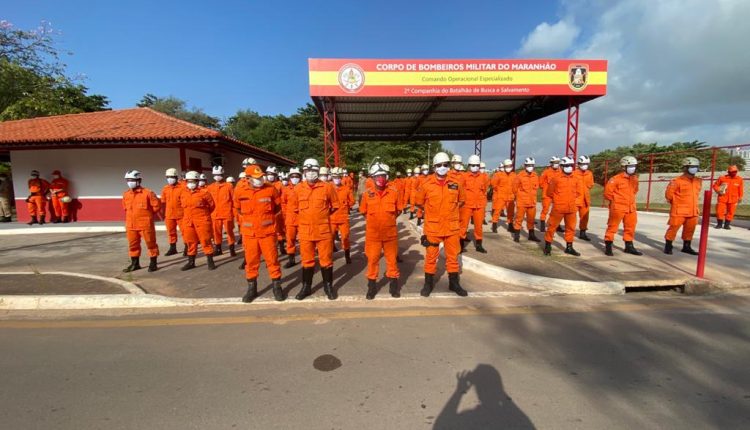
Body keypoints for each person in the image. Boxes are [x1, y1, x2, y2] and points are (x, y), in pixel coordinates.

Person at [414, 152, 467, 297]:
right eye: (439, 165)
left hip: (452, 227)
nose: (442, 167)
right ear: (434, 167)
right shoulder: (426, 184)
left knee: (453, 257)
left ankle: (454, 283)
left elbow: (462, 201)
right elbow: (419, 202)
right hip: (433, 228)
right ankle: (428, 284)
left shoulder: (456, 183)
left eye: (445, 164)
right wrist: (432, 212)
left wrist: (450, 211)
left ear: (449, 166)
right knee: (431, 257)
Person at [287, 158, 339, 300]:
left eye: (313, 170)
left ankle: (328, 286)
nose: (310, 173)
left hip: (323, 231)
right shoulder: (298, 189)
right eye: (308, 170)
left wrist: (322, 217)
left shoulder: (327, 187)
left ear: (318, 171)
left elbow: (335, 206)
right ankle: (306, 287)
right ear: (304, 172)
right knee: (307, 261)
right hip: (305, 231)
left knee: (326, 260)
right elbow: (294, 208)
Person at [234, 165, 284, 303]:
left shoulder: (270, 189)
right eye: (256, 178)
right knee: (251, 262)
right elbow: (238, 209)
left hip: (267, 233)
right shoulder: (240, 191)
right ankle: (252, 289)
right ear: (248, 178)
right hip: (250, 234)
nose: (260, 180)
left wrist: (267, 221)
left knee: (272, 260)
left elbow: (277, 207)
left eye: (261, 177)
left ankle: (277, 287)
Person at [360, 163, 403, 299]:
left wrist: (387, 220)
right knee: (372, 261)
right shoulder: (367, 194)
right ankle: (371, 287)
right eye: (377, 176)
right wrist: (375, 222)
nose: (380, 178)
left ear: (387, 177)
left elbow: (398, 210)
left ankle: (394, 287)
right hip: (373, 235)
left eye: (382, 175)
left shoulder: (394, 192)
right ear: (372, 178)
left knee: (392, 261)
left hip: (390, 235)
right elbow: (363, 211)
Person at [543, 156, 583, 256]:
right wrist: (558, 200)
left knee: (571, 228)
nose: (569, 167)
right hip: (558, 207)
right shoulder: (556, 178)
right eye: (567, 165)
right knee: (552, 227)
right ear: (562, 166)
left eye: (571, 165)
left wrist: (575, 203)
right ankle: (548, 246)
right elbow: (549, 192)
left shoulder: (576, 179)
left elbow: (579, 193)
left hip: (571, 208)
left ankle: (569, 247)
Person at [603, 156, 642, 256]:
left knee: (630, 227)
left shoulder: (634, 179)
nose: (633, 168)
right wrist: (617, 201)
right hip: (618, 207)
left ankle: (629, 246)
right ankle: (608, 246)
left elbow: (635, 191)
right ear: (623, 167)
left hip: (631, 208)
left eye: (634, 166)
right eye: (630, 166)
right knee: (612, 227)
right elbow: (607, 193)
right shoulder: (615, 179)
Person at [122, 170, 160, 272]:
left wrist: (147, 216)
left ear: (139, 180)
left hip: (145, 225)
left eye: (132, 180)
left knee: (151, 244)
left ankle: (153, 263)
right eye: (128, 180)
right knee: (133, 245)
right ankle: (135, 264)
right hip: (131, 225)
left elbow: (156, 206)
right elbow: (125, 208)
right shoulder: (126, 194)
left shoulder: (148, 193)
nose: (130, 182)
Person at [664, 157, 702, 255]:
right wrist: (677, 203)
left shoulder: (698, 181)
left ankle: (687, 247)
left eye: (695, 166)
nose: (694, 168)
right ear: (685, 168)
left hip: (693, 210)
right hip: (679, 210)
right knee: (673, 228)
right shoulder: (677, 181)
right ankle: (668, 246)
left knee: (690, 229)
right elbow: (669, 195)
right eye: (691, 166)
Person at [180, 171, 216, 270]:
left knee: (206, 241)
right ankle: (191, 262)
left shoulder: (204, 193)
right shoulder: (183, 193)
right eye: (189, 181)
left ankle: (210, 261)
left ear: (197, 181)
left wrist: (204, 215)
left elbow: (212, 206)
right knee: (190, 242)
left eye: (193, 181)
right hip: (188, 221)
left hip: (202, 221)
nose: (191, 183)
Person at [461, 154, 488, 253]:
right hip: (467, 205)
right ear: (469, 165)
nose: (475, 167)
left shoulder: (484, 177)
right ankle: (460, 245)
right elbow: (460, 190)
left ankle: (479, 245)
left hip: (479, 205)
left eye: (477, 165)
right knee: (463, 225)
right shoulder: (464, 176)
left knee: (479, 226)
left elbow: (484, 189)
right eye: (473, 165)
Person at [207, 165, 236, 256]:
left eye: (219, 174)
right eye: (215, 175)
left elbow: (234, 200)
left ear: (223, 174)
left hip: (227, 214)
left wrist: (234, 213)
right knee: (216, 233)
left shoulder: (229, 186)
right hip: (215, 214)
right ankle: (218, 249)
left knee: (229, 232)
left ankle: (232, 249)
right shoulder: (210, 187)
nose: (217, 176)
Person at [511, 158, 541, 242]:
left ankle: (531, 235)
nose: (530, 167)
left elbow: (536, 188)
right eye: (528, 165)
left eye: (532, 165)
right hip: (522, 202)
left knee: (531, 220)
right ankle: (516, 236)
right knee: (519, 219)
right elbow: (514, 188)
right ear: (525, 166)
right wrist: (520, 196)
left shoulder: (535, 176)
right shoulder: (520, 176)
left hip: (532, 202)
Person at [330, 167, 354, 264]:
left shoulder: (346, 189)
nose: (337, 179)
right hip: (331, 218)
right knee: (329, 238)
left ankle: (347, 255)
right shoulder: (328, 188)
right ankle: (329, 255)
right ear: (332, 177)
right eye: (335, 177)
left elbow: (352, 201)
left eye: (338, 177)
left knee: (345, 237)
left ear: (341, 178)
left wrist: (346, 205)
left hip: (343, 218)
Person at [160, 168, 184, 256]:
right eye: (168, 177)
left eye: (172, 177)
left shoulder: (182, 188)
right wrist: (163, 215)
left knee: (185, 232)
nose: (170, 179)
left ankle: (187, 247)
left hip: (181, 214)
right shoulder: (165, 189)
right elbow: (163, 202)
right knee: (171, 232)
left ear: (176, 177)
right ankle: (173, 248)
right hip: (169, 215)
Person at [713, 165, 744, 229]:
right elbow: (715, 185)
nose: (734, 173)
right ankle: (719, 224)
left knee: (731, 212)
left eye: (735, 171)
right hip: (722, 198)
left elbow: (740, 189)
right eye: (733, 171)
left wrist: (740, 197)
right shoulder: (722, 178)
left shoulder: (739, 179)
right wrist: (718, 190)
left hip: (733, 199)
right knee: (719, 211)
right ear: (729, 172)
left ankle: (726, 225)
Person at [282, 167, 301, 268]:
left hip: (302, 218)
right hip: (290, 218)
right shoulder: (286, 190)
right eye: (293, 176)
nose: (294, 178)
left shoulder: (304, 188)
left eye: (296, 176)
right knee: (290, 239)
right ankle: (291, 259)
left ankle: (307, 259)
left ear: (300, 177)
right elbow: (283, 203)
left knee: (304, 240)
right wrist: (286, 214)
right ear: (289, 177)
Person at [490, 159, 516, 233]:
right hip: (501, 196)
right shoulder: (498, 175)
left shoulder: (514, 175)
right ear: (504, 167)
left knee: (510, 212)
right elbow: (493, 184)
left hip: (510, 197)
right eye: (507, 166)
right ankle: (494, 226)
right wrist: (499, 191)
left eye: (510, 166)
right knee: (497, 211)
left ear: (512, 166)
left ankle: (510, 226)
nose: (508, 167)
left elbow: (516, 185)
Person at [539, 156, 561, 232]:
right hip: (546, 194)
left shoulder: (560, 172)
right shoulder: (546, 172)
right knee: (545, 210)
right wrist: (546, 187)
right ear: (551, 163)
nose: (556, 164)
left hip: (556, 194)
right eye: (555, 162)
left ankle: (556, 225)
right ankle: (542, 225)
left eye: (558, 162)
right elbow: (541, 183)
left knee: (557, 210)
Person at [575, 156, 595, 240]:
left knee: (584, 217)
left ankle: (582, 233)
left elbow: (591, 184)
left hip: (585, 199)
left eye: (586, 164)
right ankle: (569, 233)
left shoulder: (589, 173)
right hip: (575, 199)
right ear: (579, 164)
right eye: (583, 164)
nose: (585, 165)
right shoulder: (574, 174)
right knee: (571, 217)